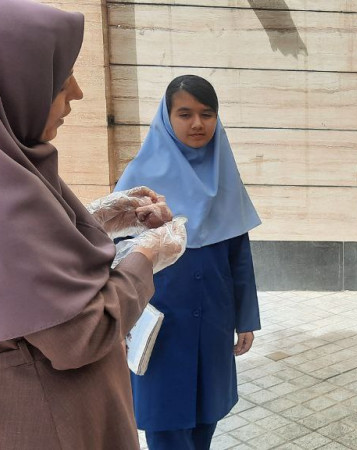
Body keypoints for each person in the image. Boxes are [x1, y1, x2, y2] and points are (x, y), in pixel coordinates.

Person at [0, 0, 186, 448]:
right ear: (3, 82)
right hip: (49, 422)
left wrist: (91, 218)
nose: (77, 92)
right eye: (57, 75)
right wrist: (150, 252)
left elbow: (15, 271)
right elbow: (83, 334)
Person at [116, 75, 263, 449]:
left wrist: (246, 319)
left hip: (213, 320)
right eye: (185, 114)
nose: (197, 124)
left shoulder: (224, 175)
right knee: (165, 423)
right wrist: (116, 323)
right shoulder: (139, 181)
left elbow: (239, 257)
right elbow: (115, 258)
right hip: (159, 325)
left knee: (206, 416)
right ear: (167, 119)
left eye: (207, 114)